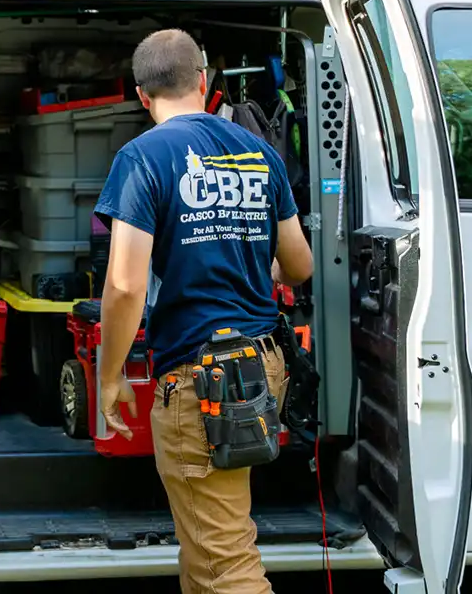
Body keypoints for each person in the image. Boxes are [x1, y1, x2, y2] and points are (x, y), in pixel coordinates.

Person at [93, 29, 313, 594]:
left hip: (202, 376)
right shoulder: (258, 151)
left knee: (225, 562)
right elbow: (299, 265)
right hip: (258, 366)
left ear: (141, 95)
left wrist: (111, 376)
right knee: (205, 545)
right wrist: (246, 263)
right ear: (204, 80)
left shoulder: (141, 157)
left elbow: (123, 284)